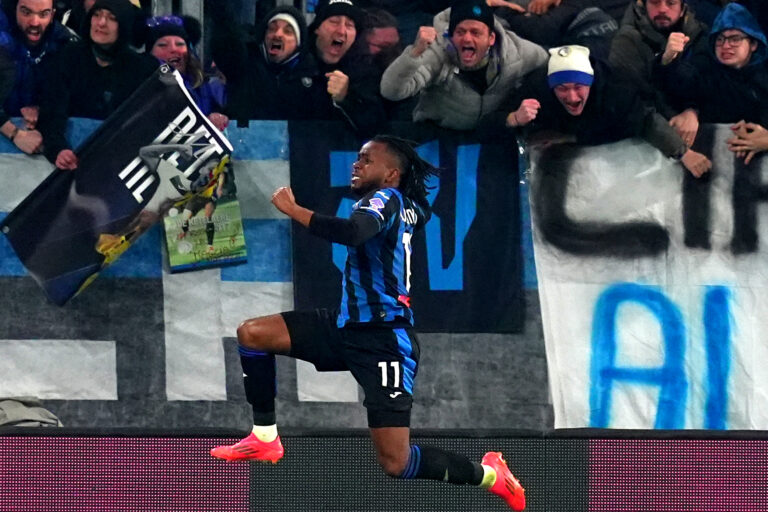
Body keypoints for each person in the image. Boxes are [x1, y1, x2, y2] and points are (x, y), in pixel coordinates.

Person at [209, 135, 527, 512]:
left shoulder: (386, 198)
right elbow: (408, 218)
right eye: (357, 158)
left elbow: (353, 233)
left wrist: (293, 209)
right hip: (346, 327)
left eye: (366, 159)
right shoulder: (405, 205)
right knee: (253, 334)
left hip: (385, 341)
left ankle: (490, 474)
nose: (356, 164)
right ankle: (264, 436)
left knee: (397, 462)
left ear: (391, 174)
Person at [481, 44, 712, 177]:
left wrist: (684, 153)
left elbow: (646, 121)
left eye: (578, 87)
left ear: (590, 82)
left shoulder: (616, 89)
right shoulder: (536, 90)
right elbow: (486, 125)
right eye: (562, 88)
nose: (571, 97)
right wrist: (513, 118)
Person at [210, 0, 385, 134]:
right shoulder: (251, 65)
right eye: (334, 21)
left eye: (349, 25)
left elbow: (374, 126)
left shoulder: (362, 71)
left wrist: (346, 98)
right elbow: (228, 47)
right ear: (317, 28)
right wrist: (222, 115)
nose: (341, 31)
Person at [380, 0, 547, 131]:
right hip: (439, 135)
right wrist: (414, 53)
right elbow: (391, 91)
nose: (467, 38)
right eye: (460, 32)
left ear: (491, 38)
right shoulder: (437, 53)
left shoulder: (516, 52)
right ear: (451, 36)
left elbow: (547, 62)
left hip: (489, 135)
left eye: (475, 32)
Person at [36, 0, 157, 169]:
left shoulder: (143, 68)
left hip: (120, 166)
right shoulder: (68, 56)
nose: (101, 23)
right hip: (70, 163)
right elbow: (51, 112)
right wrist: (58, 150)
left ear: (124, 23)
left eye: (112, 18)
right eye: (97, 15)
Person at [654, 3, 768, 137]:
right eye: (720, 39)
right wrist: (692, 110)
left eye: (735, 39)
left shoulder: (763, 78)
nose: (726, 45)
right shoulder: (706, 73)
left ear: (753, 44)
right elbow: (679, 86)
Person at [609, 0, 710, 147]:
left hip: (697, 132)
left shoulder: (698, 34)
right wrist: (665, 61)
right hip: (647, 139)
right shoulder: (627, 41)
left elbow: (707, 85)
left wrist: (693, 111)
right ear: (643, 5)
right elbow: (633, 100)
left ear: (682, 9)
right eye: (655, 2)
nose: (662, 9)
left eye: (671, 3)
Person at [0, 0, 77, 153]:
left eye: (43, 14)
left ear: (53, 14)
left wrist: (42, 106)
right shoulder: (3, 41)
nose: (34, 22)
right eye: (26, 12)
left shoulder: (65, 43)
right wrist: (14, 133)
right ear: (14, 9)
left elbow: (73, 94)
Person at [144, 14, 228, 131]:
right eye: (163, 45)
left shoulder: (204, 86)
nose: (174, 49)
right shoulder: (144, 87)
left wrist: (217, 118)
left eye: (180, 44)